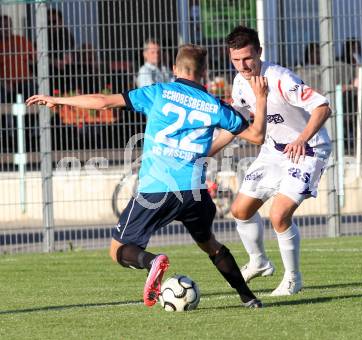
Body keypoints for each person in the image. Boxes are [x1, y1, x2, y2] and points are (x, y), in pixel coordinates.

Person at [26, 44, 268, 308]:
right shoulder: (215, 106)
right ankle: (249, 298)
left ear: (175, 69)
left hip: (157, 189)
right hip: (194, 191)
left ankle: (151, 261)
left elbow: (103, 102)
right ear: (205, 72)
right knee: (211, 245)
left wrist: (58, 100)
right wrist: (261, 98)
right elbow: (256, 135)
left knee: (118, 250)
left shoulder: (159, 92)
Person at [210, 26, 332, 296]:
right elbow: (236, 124)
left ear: (259, 53)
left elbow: (323, 107)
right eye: (236, 60)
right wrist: (208, 151)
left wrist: (301, 138)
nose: (243, 66)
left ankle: (293, 278)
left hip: (307, 149)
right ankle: (259, 261)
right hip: (273, 151)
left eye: (248, 59)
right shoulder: (240, 82)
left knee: (279, 215)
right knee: (240, 210)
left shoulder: (280, 78)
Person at [0, 15, 35, 102]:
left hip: (25, 80)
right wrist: (3, 82)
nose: (6, 29)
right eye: (3, 26)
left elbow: (35, 57)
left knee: (33, 96)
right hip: (5, 82)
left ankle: (35, 115)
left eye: (8, 25)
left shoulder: (20, 40)